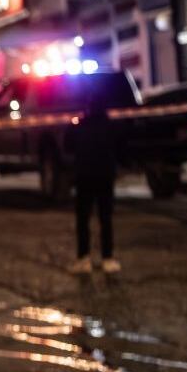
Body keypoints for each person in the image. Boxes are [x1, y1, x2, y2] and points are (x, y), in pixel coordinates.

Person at [64, 96, 123, 273]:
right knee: (106, 217)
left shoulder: (80, 125)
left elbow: (68, 146)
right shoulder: (111, 125)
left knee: (83, 218)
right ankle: (107, 258)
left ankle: (84, 258)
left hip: (85, 175)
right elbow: (120, 147)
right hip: (105, 175)